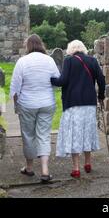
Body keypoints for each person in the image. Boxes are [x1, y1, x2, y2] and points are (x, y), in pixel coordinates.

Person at [51, 40, 105, 178]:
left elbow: (62, 81)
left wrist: (51, 79)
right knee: (87, 131)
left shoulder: (69, 60)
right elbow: (101, 79)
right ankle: (88, 163)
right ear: (83, 48)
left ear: (70, 49)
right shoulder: (92, 60)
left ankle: (76, 168)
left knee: (75, 133)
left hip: (73, 103)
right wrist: (101, 96)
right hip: (89, 103)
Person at [10, 34, 60, 183]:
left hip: (27, 104)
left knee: (28, 135)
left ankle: (30, 168)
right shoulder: (49, 60)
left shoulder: (22, 61)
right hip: (47, 103)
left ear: (28, 46)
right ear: (41, 44)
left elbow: (15, 87)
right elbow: (56, 80)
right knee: (44, 135)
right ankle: (45, 171)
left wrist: (16, 105)